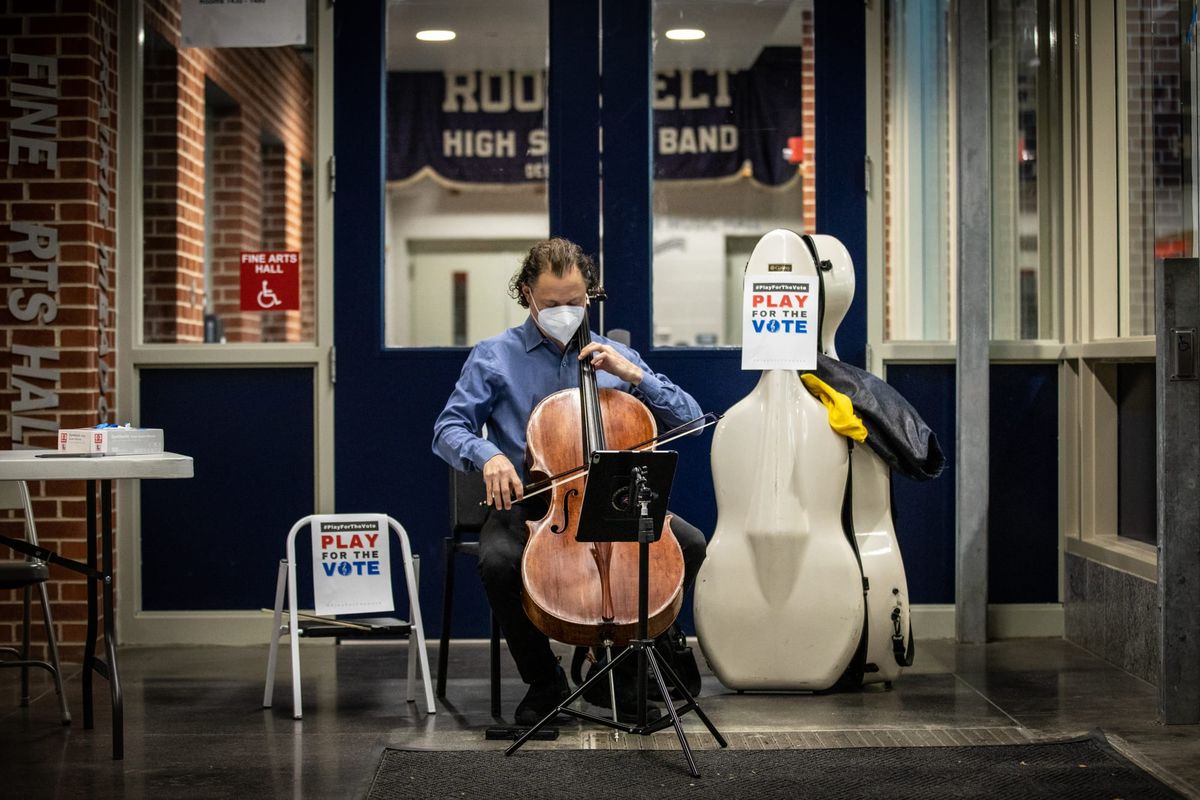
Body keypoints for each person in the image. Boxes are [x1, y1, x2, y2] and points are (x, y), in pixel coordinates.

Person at [432, 237, 707, 726]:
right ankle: (545, 681)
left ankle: (619, 670)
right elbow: (448, 428)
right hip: (535, 504)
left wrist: (636, 377)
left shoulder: (615, 355)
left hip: (614, 497)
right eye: (553, 303)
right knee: (498, 563)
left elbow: (690, 418)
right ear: (527, 294)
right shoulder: (494, 356)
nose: (565, 311)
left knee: (688, 543)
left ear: (590, 295)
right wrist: (489, 454)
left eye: (576, 302)